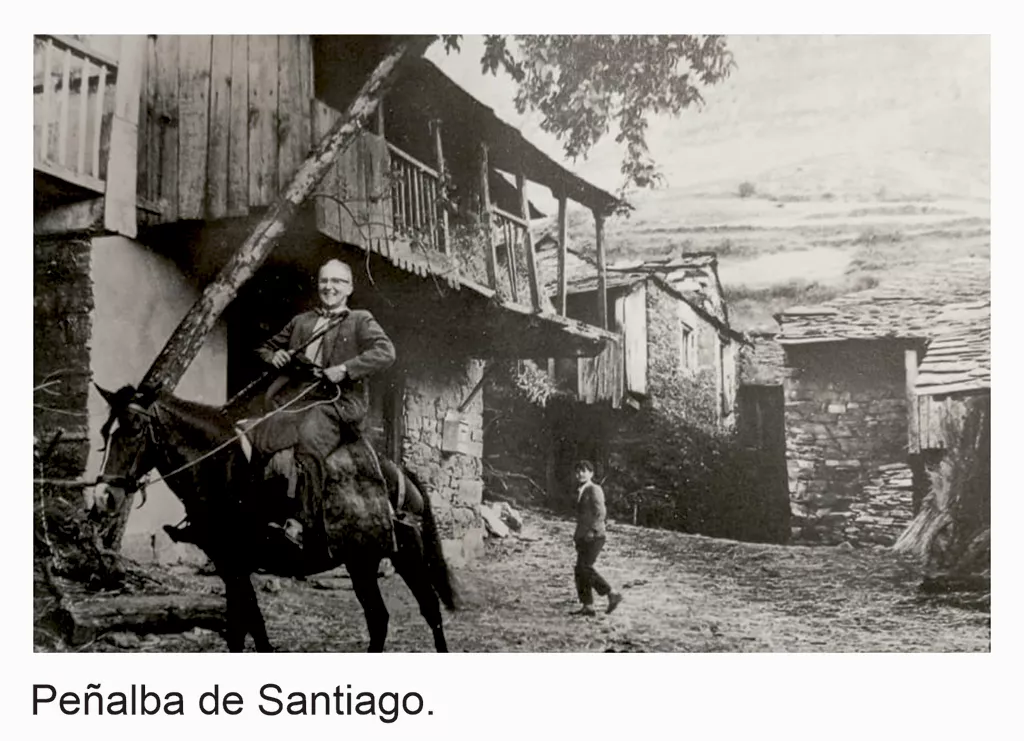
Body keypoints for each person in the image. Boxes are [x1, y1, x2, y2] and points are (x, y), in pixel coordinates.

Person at [252, 258, 396, 552]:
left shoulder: (360, 319)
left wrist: (345, 370)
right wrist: (273, 357)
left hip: (339, 401)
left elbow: (386, 352)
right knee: (259, 434)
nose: (330, 287)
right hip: (298, 397)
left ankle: (299, 522)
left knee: (309, 434)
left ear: (349, 288)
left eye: (338, 282)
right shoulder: (302, 321)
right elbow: (264, 348)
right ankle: (260, 513)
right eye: (325, 281)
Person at [571, 460, 623, 617]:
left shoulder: (594, 489)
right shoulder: (580, 490)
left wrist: (592, 531)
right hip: (583, 537)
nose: (580, 474)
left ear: (591, 473)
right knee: (580, 570)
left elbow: (600, 513)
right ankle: (588, 606)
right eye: (578, 471)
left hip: (595, 536)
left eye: (584, 471)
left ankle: (611, 593)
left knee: (585, 568)